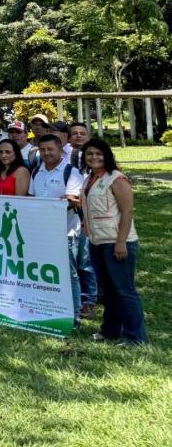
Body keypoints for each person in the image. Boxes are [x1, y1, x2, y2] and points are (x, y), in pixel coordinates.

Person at [81, 138, 147, 345]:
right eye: (90, 153)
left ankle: (135, 337)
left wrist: (121, 242)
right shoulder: (90, 179)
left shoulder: (116, 178)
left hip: (116, 242)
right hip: (96, 241)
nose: (94, 157)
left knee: (124, 290)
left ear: (107, 155)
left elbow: (127, 211)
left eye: (98, 154)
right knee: (108, 290)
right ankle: (110, 331)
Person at [30, 133, 96, 321]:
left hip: (66, 233)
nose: (46, 153)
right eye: (42, 150)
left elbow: (71, 201)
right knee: (46, 272)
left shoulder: (71, 172)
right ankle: (50, 308)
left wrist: (58, 204)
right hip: (42, 233)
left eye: (50, 149)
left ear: (60, 149)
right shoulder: (37, 171)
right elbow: (32, 199)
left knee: (70, 274)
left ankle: (74, 315)